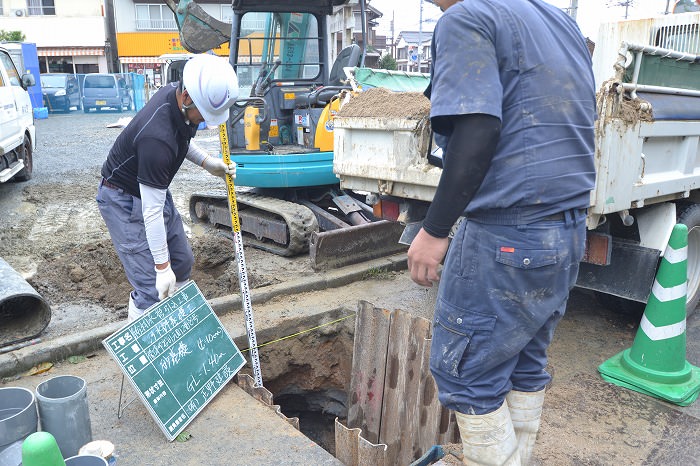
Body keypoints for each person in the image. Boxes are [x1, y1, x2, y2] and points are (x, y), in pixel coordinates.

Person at [408, 1, 596, 464]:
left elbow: (478, 127)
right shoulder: (558, 20)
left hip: (507, 232)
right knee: (524, 363)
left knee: (466, 375)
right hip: (565, 231)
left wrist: (434, 230)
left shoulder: (467, 18)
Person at [97, 54, 239, 322]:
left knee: (182, 262)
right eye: (204, 115)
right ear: (186, 97)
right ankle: (146, 355)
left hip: (151, 189)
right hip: (122, 198)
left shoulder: (176, 103)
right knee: (151, 285)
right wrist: (162, 267)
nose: (206, 122)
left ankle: (179, 329)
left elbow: (182, 138)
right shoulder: (156, 140)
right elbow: (150, 212)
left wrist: (208, 163)